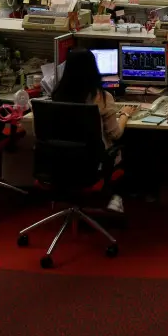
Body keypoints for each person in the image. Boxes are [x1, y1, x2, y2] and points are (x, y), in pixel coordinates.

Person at [50, 48, 137, 213]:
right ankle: (116, 197)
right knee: (129, 146)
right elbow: (115, 134)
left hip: (60, 162)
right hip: (92, 164)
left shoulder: (56, 96)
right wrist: (125, 114)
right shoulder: (102, 97)